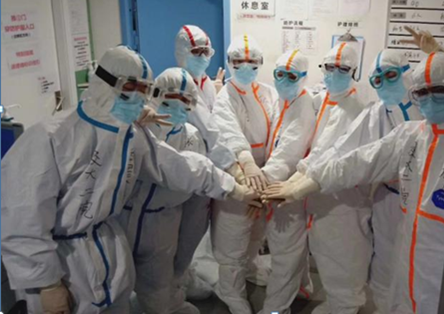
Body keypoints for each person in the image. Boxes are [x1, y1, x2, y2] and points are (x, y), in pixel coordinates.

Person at [264, 51, 444, 314]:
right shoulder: (411, 135)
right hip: (407, 247)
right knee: (393, 294)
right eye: (422, 92)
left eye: (438, 90)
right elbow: (358, 161)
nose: (429, 99)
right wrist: (304, 184)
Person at [1, 46, 256, 314]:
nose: (138, 98)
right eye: (131, 87)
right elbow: (21, 219)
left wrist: (233, 188)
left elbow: (176, 165)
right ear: (105, 82)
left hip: (108, 249)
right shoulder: (49, 138)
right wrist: (47, 284)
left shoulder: (129, 135)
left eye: (144, 90)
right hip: (63, 263)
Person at [119, 67, 221, 314]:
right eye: (171, 98)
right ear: (156, 93)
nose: (179, 106)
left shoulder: (192, 137)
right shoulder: (135, 126)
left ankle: (172, 295)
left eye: (186, 101)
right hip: (121, 217)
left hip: (162, 220)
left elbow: (193, 186)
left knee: (159, 284)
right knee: (116, 280)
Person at [287, 42, 372, 314]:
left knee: (342, 257)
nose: (334, 74)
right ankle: (338, 304)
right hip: (320, 193)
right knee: (325, 252)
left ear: (354, 71)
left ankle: (345, 306)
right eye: (329, 68)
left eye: (342, 69)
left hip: (343, 199)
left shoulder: (356, 108)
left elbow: (328, 152)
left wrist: (295, 181)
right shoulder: (325, 98)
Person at [210, 34, 278, 314]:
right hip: (236, 172)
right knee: (233, 236)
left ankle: (249, 270)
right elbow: (228, 133)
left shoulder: (269, 92)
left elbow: (279, 129)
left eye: (252, 62)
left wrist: (269, 171)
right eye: (239, 61)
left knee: (256, 230)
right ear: (229, 62)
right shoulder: (224, 96)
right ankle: (230, 289)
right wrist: (247, 166)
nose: (246, 67)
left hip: (265, 173)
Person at [174, 25, 237, 296]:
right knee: (181, 233)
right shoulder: (180, 83)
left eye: (206, 52)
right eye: (196, 51)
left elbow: (216, 123)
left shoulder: (206, 83)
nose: (202, 57)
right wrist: (234, 167)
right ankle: (176, 286)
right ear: (182, 52)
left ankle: (184, 276)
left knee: (196, 229)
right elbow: (208, 129)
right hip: (187, 171)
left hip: (206, 169)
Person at [259, 49, 316, 314]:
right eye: (279, 74)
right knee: (293, 250)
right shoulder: (283, 101)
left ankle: (275, 309)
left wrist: (260, 185)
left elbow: (288, 153)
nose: (283, 80)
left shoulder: (303, 106)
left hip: (287, 190)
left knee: (284, 254)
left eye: (291, 76)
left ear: (303, 77)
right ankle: (303, 287)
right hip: (279, 187)